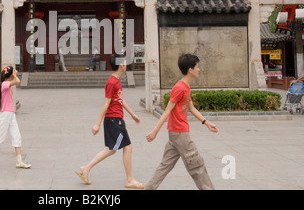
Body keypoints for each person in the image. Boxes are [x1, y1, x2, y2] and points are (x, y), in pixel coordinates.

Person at [145, 53, 218, 190]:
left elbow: (191, 108)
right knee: (197, 165)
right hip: (180, 133)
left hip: (175, 134)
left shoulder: (185, 87)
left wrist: (206, 122)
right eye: (197, 66)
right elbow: (167, 110)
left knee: (165, 165)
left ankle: (149, 188)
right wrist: (155, 131)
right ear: (190, 70)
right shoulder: (179, 88)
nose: (199, 69)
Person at [75, 53, 144, 189]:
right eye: (124, 61)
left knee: (112, 150)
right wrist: (97, 123)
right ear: (120, 65)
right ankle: (129, 180)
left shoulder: (116, 81)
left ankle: (86, 168)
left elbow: (119, 99)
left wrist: (132, 114)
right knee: (127, 147)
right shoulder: (112, 82)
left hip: (116, 119)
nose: (126, 63)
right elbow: (106, 104)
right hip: (114, 120)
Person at [0, 66, 31, 169]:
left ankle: (19, 161)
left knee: (16, 135)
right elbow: (18, 81)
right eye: (14, 71)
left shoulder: (2, 85)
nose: (15, 72)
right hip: (6, 114)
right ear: (10, 74)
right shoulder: (5, 84)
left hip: (10, 114)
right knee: (0, 137)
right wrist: (15, 75)